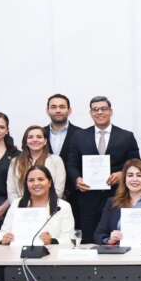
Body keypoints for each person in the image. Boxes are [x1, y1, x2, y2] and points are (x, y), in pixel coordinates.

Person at [66, 96, 139, 244]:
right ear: (91, 113)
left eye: (103, 109)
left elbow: (136, 162)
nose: (99, 112)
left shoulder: (126, 136)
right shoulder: (79, 136)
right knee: (88, 240)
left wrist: (122, 174)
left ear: (110, 111)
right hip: (87, 199)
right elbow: (71, 164)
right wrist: (77, 179)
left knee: (117, 239)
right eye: (95, 109)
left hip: (117, 197)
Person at [0, 165, 75, 246]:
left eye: (41, 179)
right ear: (26, 184)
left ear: (49, 183)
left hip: (52, 253)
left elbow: (70, 239)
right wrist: (4, 239)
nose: (36, 183)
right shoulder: (16, 204)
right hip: (18, 252)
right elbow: (0, 236)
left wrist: (52, 241)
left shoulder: (63, 206)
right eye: (31, 180)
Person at [43, 93, 83, 222]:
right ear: (47, 110)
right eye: (53, 107)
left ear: (69, 110)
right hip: (44, 197)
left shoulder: (82, 134)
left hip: (76, 195)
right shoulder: (39, 135)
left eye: (62, 106)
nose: (58, 110)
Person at [7, 125, 67, 201]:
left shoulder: (56, 160)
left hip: (49, 206)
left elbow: (58, 191)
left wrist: (41, 205)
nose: (35, 140)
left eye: (39, 137)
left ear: (45, 141)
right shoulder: (15, 162)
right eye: (30, 137)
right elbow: (11, 191)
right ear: (26, 142)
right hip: (21, 206)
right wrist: (23, 205)